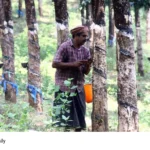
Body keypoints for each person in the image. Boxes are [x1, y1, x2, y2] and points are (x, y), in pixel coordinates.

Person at [52, 25, 92, 132]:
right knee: (65, 120)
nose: (85, 39)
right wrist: (73, 64)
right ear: (75, 36)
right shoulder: (64, 47)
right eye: (83, 36)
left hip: (79, 87)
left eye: (86, 36)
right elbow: (54, 64)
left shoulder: (85, 51)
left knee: (80, 118)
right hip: (64, 86)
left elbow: (86, 72)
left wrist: (88, 65)